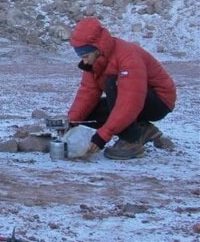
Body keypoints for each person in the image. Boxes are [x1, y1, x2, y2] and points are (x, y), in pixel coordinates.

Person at [67, 17, 176, 160]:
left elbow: (130, 101)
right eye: (81, 57)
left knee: (113, 83)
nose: (84, 61)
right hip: (132, 99)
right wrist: (71, 121)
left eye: (86, 56)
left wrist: (102, 136)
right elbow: (88, 92)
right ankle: (142, 128)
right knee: (87, 115)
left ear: (96, 48)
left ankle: (131, 140)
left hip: (158, 102)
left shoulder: (127, 56)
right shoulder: (95, 61)